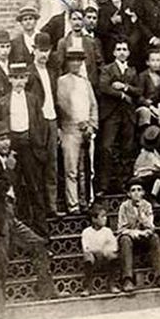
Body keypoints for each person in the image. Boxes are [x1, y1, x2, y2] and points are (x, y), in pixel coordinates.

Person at [0, 122, 57, 319]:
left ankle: (46, 291)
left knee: (38, 245)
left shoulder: (8, 161)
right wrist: (9, 169)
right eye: (1, 140)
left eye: (7, 138)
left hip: (11, 218)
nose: (6, 143)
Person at [0, 63, 50, 232]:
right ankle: (19, 229)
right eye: (15, 78)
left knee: (34, 187)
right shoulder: (4, 102)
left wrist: (38, 145)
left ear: (27, 79)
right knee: (14, 188)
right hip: (12, 149)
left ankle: (41, 231)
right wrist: (7, 152)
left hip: (29, 146)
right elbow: (2, 127)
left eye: (22, 78)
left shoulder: (33, 99)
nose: (19, 82)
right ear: (10, 79)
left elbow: (41, 124)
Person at [57, 47, 99, 214]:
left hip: (86, 130)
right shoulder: (62, 81)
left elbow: (93, 105)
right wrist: (76, 121)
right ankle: (73, 204)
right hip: (70, 129)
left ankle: (84, 202)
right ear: (68, 63)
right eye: (72, 60)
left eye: (78, 60)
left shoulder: (85, 82)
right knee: (71, 169)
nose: (75, 63)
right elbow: (62, 104)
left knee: (84, 169)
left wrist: (91, 125)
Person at [97, 37, 142, 193]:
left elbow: (138, 91)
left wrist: (124, 87)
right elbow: (104, 87)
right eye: (119, 49)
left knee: (127, 149)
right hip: (112, 114)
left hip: (128, 114)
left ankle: (125, 184)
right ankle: (104, 185)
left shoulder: (133, 71)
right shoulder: (107, 69)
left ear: (128, 52)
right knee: (106, 148)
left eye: (124, 49)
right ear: (114, 52)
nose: (122, 53)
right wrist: (122, 95)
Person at [116, 179, 160, 293]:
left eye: (139, 190)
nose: (136, 193)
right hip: (130, 237)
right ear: (129, 194)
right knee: (125, 240)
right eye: (133, 190)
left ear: (143, 193)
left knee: (155, 237)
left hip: (143, 238)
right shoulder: (124, 207)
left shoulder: (147, 205)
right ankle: (127, 279)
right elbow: (121, 229)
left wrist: (142, 217)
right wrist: (133, 232)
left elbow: (151, 226)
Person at [26, 32, 60, 214]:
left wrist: (58, 124)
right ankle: (39, 208)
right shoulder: (29, 74)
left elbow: (56, 100)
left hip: (52, 121)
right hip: (37, 124)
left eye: (47, 51)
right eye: (40, 51)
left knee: (52, 165)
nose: (44, 55)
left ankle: (52, 206)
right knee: (36, 164)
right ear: (34, 50)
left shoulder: (52, 72)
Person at [97, 0, 141, 65]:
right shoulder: (103, 7)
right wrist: (111, 22)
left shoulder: (131, 2)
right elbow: (100, 30)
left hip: (131, 50)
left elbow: (138, 26)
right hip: (111, 50)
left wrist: (131, 42)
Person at [54, 8, 103, 87]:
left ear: (83, 21)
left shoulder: (91, 42)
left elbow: (100, 63)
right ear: (69, 21)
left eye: (79, 19)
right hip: (70, 85)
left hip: (89, 84)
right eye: (74, 19)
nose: (77, 22)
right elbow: (59, 66)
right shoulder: (63, 43)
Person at [79, 203, 120, 296]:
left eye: (105, 216)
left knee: (112, 255)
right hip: (93, 259)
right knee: (87, 257)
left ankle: (112, 284)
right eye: (102, 217)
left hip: (105, 258)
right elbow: (86, 248)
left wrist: (103, 251)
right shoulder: (86, 232)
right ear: (94, 219)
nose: (105, 219)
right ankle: (88, 287)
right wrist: (99, 250)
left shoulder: (107, 231)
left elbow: (114, 246)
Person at [133, 125, 160, 202]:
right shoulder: (148, 154)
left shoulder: (152, 152)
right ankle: (153, 196)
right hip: (143, 175)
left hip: (147, 173)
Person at [135, 47, 160, 127]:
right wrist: (150, 106)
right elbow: (138, 96)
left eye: (158, 60)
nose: (156, 63)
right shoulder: (143, 76)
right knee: (146, 113)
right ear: (147, 62)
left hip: (158, 107)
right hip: (145, 107)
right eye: (153, 60)